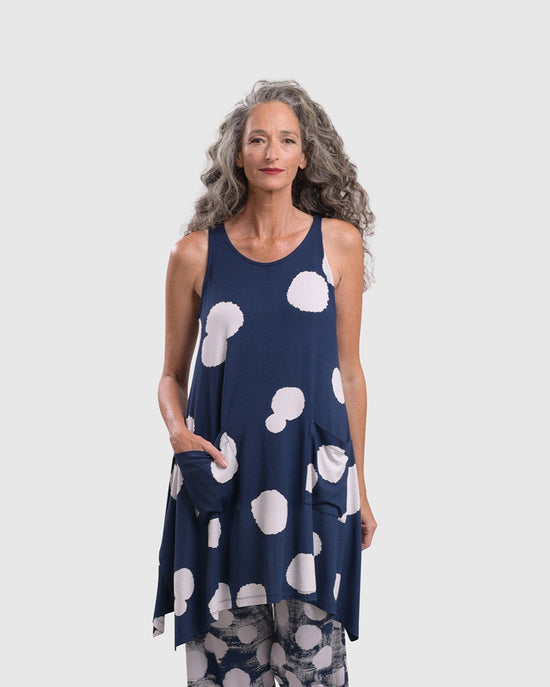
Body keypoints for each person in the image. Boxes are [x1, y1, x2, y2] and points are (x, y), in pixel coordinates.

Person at [152, 79, 377, 687]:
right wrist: (177, 433)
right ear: (237, 154)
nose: (271, 152)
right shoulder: (195, 255)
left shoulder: (339, 243)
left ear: (305, 155)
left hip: (311, 483)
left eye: (286, 140)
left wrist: (361, 487)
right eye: (257, 139)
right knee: (226, 671)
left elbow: (350, 372)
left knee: (316, 671)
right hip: (220, 484)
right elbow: (170, 375)